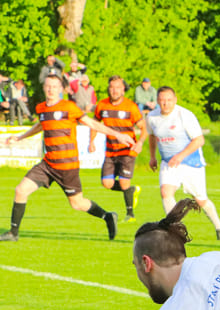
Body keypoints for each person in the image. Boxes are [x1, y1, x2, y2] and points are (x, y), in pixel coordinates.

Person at [0, 75, 135, 242]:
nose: (51, 89)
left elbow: (92, 124)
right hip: (48, 164)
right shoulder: (42, 108)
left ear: (61, 89)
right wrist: (20, 137)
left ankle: (107, 216)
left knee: (77, 203)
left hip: (67, 166)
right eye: (48, 86)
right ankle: (13, 233)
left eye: (55, 86)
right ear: (44, 88)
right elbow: (41, 125)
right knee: (21, 190)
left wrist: (117, 135)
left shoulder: (69, 107)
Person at [147, 86, 220, 240]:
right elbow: (151, 136)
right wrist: (152, 157)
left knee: (200, 200)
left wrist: (180, 156)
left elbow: (199, 140)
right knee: (165, 192)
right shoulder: (152, 117)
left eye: (169, 100)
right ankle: (174, 229)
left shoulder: (185, 115)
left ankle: (219, 227)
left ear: (175, 100)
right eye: (162, 100)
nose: (166, 103)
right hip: (168, 163)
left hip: (191, 162)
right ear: (157, 101)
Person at [89, 75, 147, 222]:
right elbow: (95, 124)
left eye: (118, 88)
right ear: (108, 89)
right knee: (107, 183)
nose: (114, 91)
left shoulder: (131, 107)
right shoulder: (102, 105)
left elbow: (144, 127)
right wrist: (91, 141)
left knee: (123, 182)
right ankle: (131, 191)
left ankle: (130, 215)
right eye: (112, 87)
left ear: (123, 90)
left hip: (127, 150)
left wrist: (140, 142)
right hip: (110, 150)